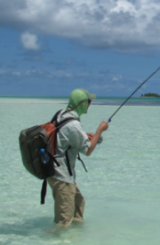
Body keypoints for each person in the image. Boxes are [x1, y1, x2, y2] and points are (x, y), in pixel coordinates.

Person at [47, 88, 109, 228]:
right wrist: (100, 130)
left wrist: (85, 136)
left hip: (54, 171)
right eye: (88, 101)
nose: (90, 104)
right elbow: (87, 151)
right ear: (82, 103)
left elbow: (64, 136)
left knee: (79, 203)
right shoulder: (73, 125)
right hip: (61, 176)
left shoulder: (62, 114)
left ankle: (77, 238)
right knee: (63, 223)